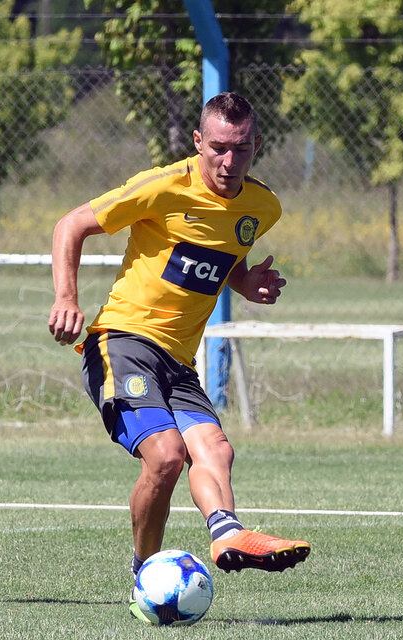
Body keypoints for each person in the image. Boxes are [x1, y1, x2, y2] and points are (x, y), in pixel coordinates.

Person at [48, 92, 310, 618]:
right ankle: (145, 571)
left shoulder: (262, 207)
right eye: (218, 148)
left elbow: (217, 256)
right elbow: (70, 224)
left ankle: (227, 535)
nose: (229, 162)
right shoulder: (164, 186)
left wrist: (245, 279)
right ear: (198, 142)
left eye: (241, 149)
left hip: (177, 359)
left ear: (256, 146)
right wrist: (66, 297)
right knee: (166, 456)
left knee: (216, 449)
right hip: (120, 341)